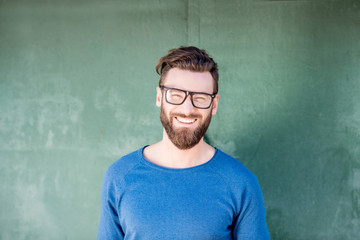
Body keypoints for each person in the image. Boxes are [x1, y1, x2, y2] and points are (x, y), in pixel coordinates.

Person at [97, 46, 270, 239]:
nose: (187, 109)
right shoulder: (119, 176)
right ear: (159, 97)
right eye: (176, 95)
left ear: (214, 105)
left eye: (200, 98)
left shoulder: (240, 183)